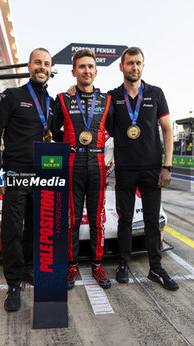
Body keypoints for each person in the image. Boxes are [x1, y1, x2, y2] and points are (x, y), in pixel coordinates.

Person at [0, 48, 54, 311]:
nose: (42, 67)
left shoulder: (51, 101)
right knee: (13, 229)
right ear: (29, 66)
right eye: (38, 62)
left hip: (43, 175)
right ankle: (13, 283)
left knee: (36, 227)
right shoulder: (12, 96)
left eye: (47, 64)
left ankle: (28, 268)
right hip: (15, 175)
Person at [108, 47, 179, 291]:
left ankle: (156, 268)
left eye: (138, 63)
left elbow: (167, 129)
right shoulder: (112, 97)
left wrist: (167, 166)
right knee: (125, 220)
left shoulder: (156, 93)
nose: (134, 67)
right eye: (130, 63)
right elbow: (99, 125)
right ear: (121, 67)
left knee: (151, 221)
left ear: (143, 66)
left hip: (152, 169)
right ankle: (124, 262)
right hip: (125, 169)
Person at [52, 49, 114, 290]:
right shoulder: (62, 99)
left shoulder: (107, 100)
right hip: (71, 165)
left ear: (96, 72)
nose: (86, 71)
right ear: (73, 71)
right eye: (82, 67)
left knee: (98, 218)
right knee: (72, 219)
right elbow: (51, 132)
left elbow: (114, 132)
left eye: (90, 67)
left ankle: (98, 265)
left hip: (97, 166)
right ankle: (71, 264)